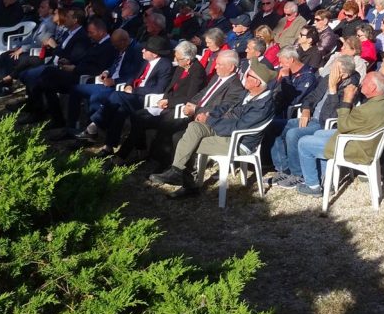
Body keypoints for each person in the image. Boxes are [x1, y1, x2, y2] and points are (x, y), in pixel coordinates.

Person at [150, 58, 277, 199]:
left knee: (187, 141)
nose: (244, 76)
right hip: (222, 129)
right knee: (194, 127)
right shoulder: (247, 93)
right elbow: (226, 106)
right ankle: (177, 171)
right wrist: (208, 114)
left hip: (239, 142)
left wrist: (209, 120)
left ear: (257, 82)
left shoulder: (263, 105)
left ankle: (188, 183)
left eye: (248, 75)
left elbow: (238, 127)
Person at [294, 72, 384, 197]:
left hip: (355, 148)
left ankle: (313, 186)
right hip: (365, 140)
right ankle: (326, 180)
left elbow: (342, 126)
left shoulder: (366, 110)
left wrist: (347, 100)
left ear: (373, 88)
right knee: (319, 133)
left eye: (365, 81)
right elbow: (355, 123)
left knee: (304, 143)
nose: (361, 83)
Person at [269, 57, 361, 188]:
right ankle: (284, 169)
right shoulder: (327, 78)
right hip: (311, 118)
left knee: (293, 134)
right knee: (273, 126)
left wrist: (333, 89)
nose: (331, 70)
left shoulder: (350, 88)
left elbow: (333, 114)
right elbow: (311, 97)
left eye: (334, 69)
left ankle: (298, 175)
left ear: (344, 74)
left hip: (323, 124)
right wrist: (306, 109)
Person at [116, 40, 206, 163]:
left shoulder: (197, 72)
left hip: (179, 110)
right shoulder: (181, 66)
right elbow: (170, 87)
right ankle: (140, 149)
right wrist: (165, 99)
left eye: (178, 58)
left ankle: (123, 155)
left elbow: (190, 96)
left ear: (188, 60)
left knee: (142, 120)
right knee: (136, 115)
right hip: (166, 104)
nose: (175, 59)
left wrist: (169, 102)